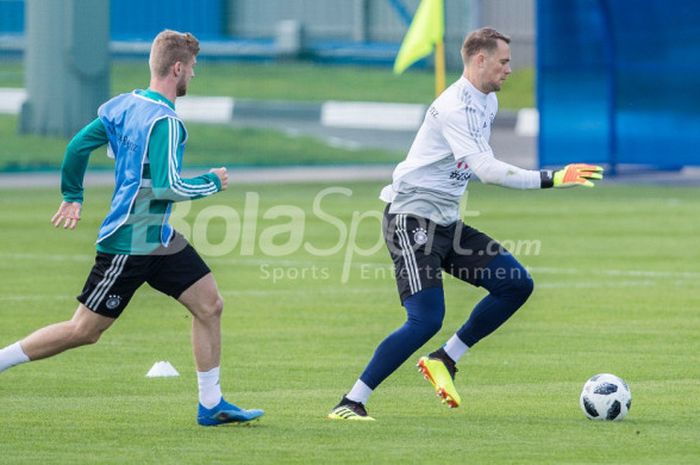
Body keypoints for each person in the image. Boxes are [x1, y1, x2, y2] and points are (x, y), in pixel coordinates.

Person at [328, 27, 603, 421]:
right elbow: (487, 171)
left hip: (445, 222)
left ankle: (445, 359)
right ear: (480, 60)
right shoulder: (456, 106)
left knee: (515, 284)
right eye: (504, 61)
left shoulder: (486, 102)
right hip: (410, 218)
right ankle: (350, 402)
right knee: (425, 319)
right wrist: (554, 177)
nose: (510, 69)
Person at [0, 30, 263, 426]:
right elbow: (167, 186)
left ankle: (212, 405)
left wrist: (73, 193)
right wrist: (211, 181)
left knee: (210, 305)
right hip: (130, 242)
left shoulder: (123, 105)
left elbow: (76, 148)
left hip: (158, 238)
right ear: (177, 68)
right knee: (84, 330)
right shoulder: (167, 122)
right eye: (192, 67)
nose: (194, 74)